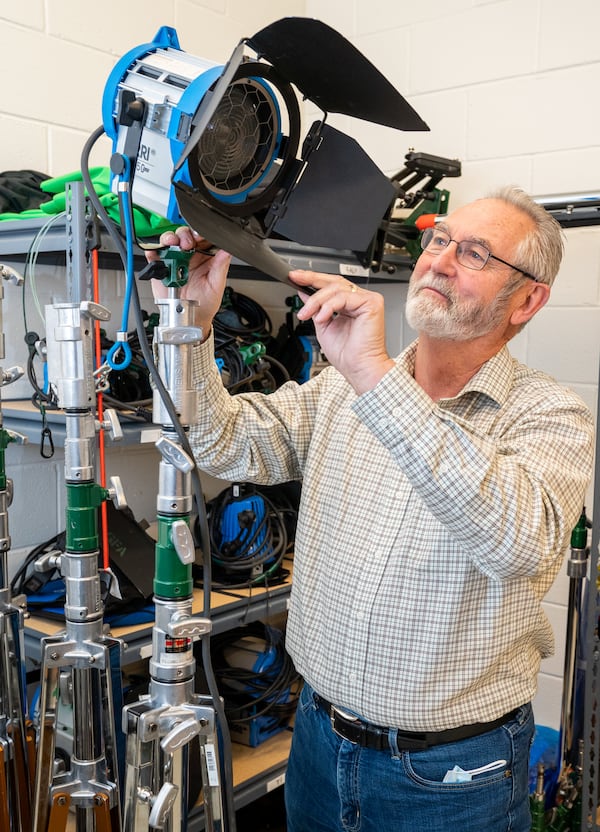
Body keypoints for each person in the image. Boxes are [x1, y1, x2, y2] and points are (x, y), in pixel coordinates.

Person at [149, 187, 595, 831]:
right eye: (439, 240)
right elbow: (225, 442)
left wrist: (375, 377)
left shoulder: (550, 414)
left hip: (450, 776)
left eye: (473, 253)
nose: (439, 260)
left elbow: (520, 544)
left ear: (526, 300)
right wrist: (192, 322)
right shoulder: (342, 387)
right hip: (318, 740)